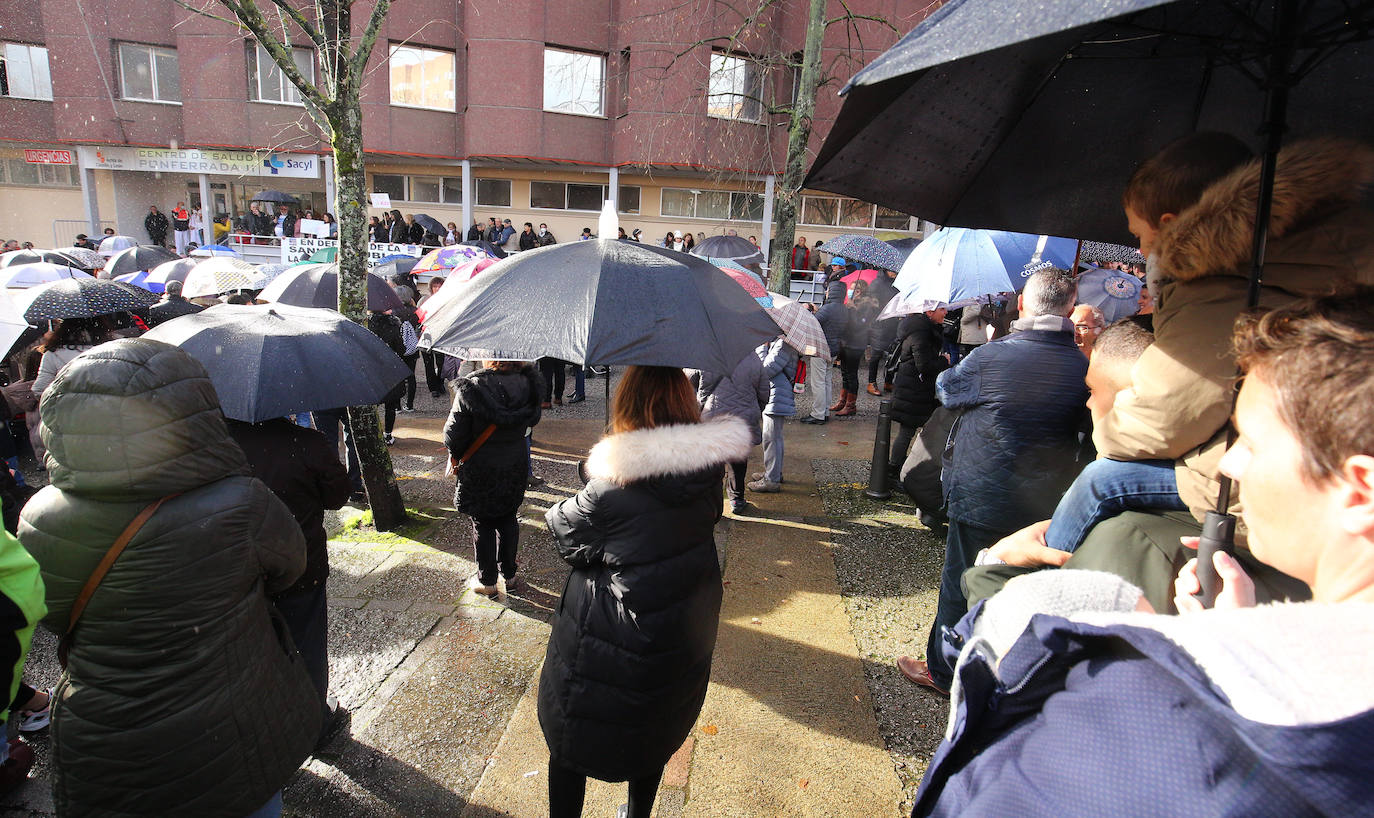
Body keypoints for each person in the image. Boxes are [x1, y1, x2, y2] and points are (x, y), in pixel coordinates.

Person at [910, 288, 1374, 817]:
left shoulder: (1152, 710)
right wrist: (1233, 633)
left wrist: (999, 573)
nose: (1229, 465)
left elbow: (977, 785)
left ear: (1361, 491)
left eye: (1252, 441)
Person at [18, 339, 319, 817]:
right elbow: (289, 569)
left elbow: (50, 612)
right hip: (232, 717)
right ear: (192, 409)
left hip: (106, 731)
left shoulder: (41, 515)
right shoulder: (242, 501)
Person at [1098, 133, 1374, 536]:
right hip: (1327, 472)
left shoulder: (1214, 284)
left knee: (1101, 481)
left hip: (1257, 490)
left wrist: (1104, 422)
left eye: (1138, 235)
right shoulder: (1326, 243)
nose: (1139, 250)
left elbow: (1166, 418)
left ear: (1170, 225)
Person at [539, 366, 751, 818]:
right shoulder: (706, 469)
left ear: (626, 407)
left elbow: (562, 531)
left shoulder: (611, 489)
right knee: (655, 727)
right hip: (680, 624)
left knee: (572, 737)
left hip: (609, 636)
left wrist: (595, 466)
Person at [913, 268, 1089, 694]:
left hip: (981, 491)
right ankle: (1008, 669)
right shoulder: (1083, 365)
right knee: (1022, 586)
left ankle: (944, 670)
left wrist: (993, 346)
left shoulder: (994, 355)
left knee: (962, 581)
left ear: (1023, 304)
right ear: (1070, 308)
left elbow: (947, 389)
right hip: (1044, 503)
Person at [224, 414, 351, 742]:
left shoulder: (220, 444)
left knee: (253, 649)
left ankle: (268, 721)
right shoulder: (305, 443)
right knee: (307, 642)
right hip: (299, 566)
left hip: (240, 569)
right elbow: (337, 496)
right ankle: (315, 725)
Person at [444, 360, 542, 595]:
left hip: (481, 465)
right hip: (515, 462)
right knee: (509, 517)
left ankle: (487, 581)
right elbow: (532, 421)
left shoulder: (473, 386)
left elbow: (452, 434)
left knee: (483, 522)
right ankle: (510, 575)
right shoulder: (529, 384)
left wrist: (454, 455)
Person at [692, 353, 767, 515]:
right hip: (743, 418)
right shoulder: (753, 358)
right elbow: (764, 392)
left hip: (713, 416)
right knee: (738, 460)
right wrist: (754, 410)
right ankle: (737, 499)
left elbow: (697, 388)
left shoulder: (706, 356)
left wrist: (701, 411)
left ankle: (713, 502)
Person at [887, 305, 949, 471]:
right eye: (942, 309)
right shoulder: (920, 332)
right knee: (907, 431)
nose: (946, 312)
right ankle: (894, 468)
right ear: (930, 312)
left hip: (916, 387)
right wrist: (944, 361)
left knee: (909, 430)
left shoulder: (925, 329)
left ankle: (900, 464)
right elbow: (924, 365)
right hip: (913, 389)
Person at [748, 337, 798, 493]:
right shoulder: (782, 341)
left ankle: (771, 480)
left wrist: (762, 347)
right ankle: (774, 473)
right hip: (775, 395)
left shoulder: (785, 343)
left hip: (777, 396)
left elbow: (765, 369)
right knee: (775, 438)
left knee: (771, 438)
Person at [800, 279, 847, 425]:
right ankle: (825, 411)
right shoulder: (843, 309)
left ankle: (818, 414)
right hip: (833, 349)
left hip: (820, 348)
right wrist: (818, 311)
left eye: (828, 290)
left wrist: (808, 311)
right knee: (826, 381)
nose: (826, 292)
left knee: (818, 382)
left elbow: (813, 324)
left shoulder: (827, 309)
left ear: (832, 292)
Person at [33, 317, 112, 397]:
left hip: (69, 406)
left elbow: (40, 389)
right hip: (107, 406)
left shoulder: (53, 354)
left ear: (62, 329)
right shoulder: (112, 349)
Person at [833, 278, 877, 417]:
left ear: (860, 291)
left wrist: (851, 310)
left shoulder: (867, 305)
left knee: (851, 374)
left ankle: (850, 405)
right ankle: (843, 401)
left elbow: (858, 325)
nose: (851, 291)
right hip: (847, 342)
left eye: (854, 289)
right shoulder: (854, 303)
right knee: (845, 372)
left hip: (856, 343)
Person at [865, 268, 900, 394]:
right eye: (892, 270)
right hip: (879, 322)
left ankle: (888, 382)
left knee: (893, 354)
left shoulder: (896, 283)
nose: (895, 272)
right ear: (885, 269)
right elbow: (870, 304)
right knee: (876, 354)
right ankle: (871, 382)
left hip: (893, 322)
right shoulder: (876, 284)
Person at [392, 286, 421, 412]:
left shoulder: (393, 312)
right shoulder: (416, 311)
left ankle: (397, 406)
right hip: (412, 347)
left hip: (397, 348)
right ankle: (410, 405)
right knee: (411, 376)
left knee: (398, 377)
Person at [418, 277, 447, 398]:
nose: (437, 289)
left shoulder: (447, 299)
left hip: (441, 334)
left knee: (441, 362)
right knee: (428, 363)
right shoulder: (425, 300)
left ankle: (440, 383)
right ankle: (432, 387)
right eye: (435, 286)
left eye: (440, 286)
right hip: (427, 334)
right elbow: (419, 316)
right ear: (431, 288)